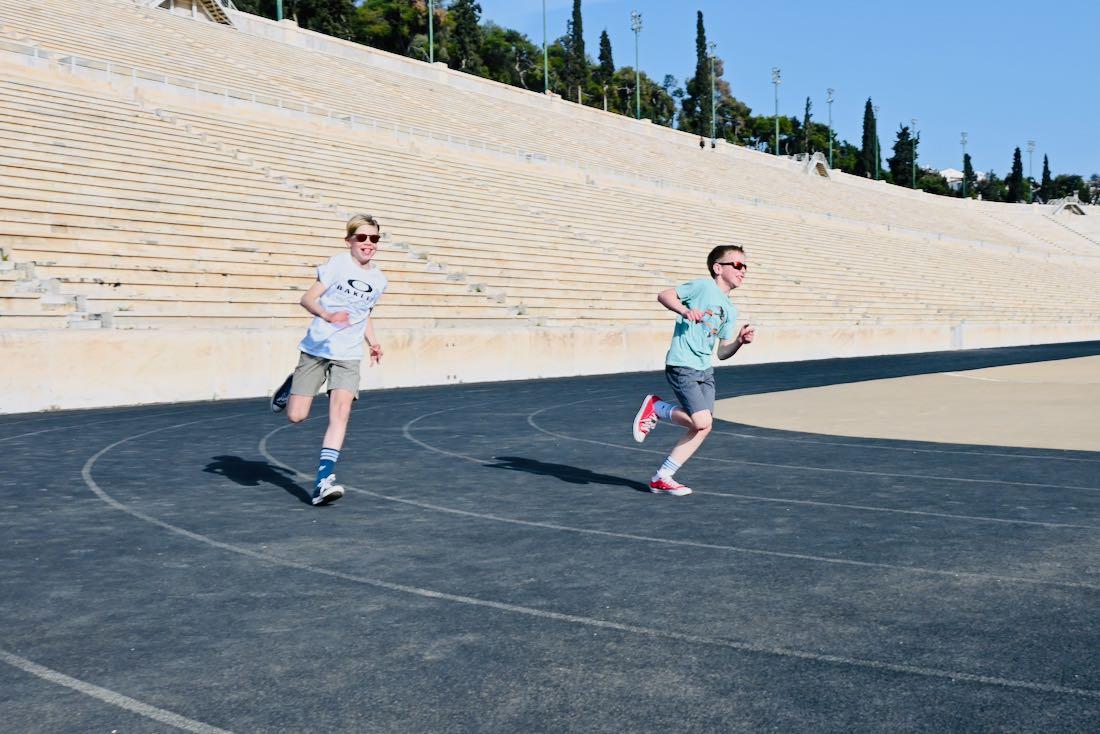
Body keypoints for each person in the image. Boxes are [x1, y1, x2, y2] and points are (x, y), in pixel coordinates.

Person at [269, 213, 387, 506]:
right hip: (317, 349)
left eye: (374, 238)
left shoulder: (379, 280)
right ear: (349, 241)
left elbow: (365, 314)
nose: (368, 243)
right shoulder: (337, 265)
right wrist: (328, 315)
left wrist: (373, 342)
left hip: (348, 356)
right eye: (361, 237)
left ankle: (323, 481)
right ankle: (292, 384)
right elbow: (307, 299)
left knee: (341, 413)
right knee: (297, 416)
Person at [631, 245, 755, 496]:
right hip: (683, 363)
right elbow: (664, 295)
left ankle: (662, 476)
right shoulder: (702, 287)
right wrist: (685, 310)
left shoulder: (731, 310)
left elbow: (722, 352)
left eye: (746, 267)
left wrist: (739, 342)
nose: (743, 271)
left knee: (704, 427)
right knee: (702, 420)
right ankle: (656, 407)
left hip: (704, 370)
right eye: (738, 265)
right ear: (718, 268)